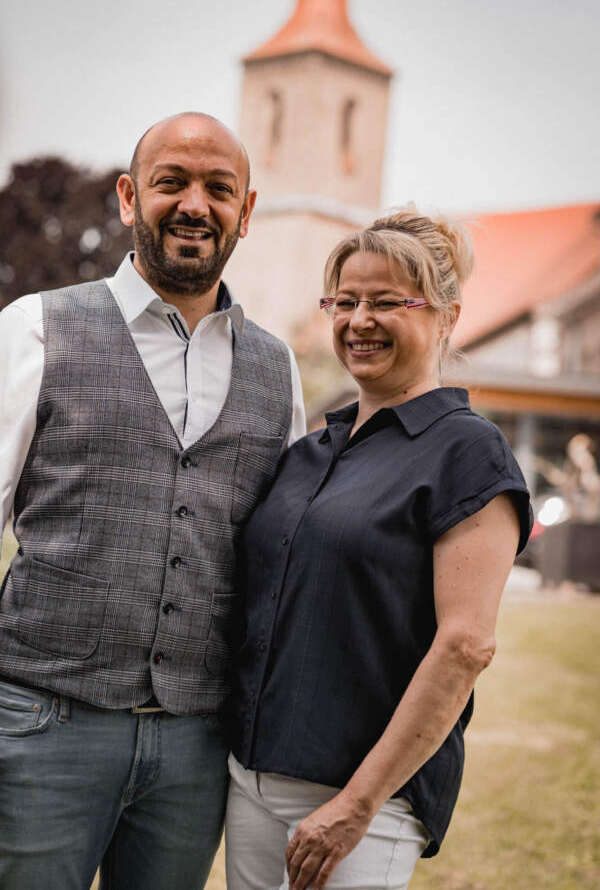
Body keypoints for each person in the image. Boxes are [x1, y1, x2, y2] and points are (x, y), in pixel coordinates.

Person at [0, 112, 305, 890]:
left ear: (247, 210)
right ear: (131, 197)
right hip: (40, 724)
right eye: (172, 182)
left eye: (219, 189)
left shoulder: (279, 370)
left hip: (196, 749)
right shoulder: (37, 329)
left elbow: (283, 556)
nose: (195, 204)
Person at [225, 207, 533, 890]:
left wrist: (355, 805)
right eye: (346, 300)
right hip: (250, 782)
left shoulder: (467, 452)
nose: (359, 320)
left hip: (365, 806)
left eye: (388, 302)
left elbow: (465, 647)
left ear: (447, 316)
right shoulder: (309, 452)